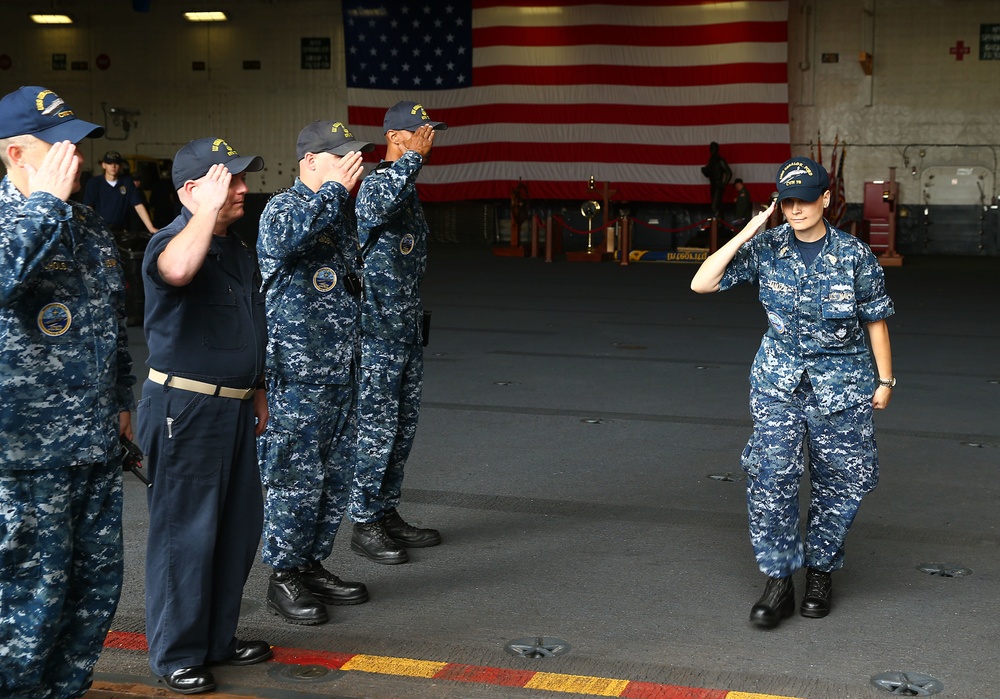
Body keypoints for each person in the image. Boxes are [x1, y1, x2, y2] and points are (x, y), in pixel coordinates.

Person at [690, 156, 894, 630]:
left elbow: (876, 320)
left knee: (843, 481)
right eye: (787, 200)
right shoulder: (766, 248)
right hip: (778, 384)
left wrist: (885, 380)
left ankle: (820, 572)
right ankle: (779, 581)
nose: (796, 208)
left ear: (826, 199)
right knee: (771, 477)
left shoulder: (854, 255)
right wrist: (748, 230)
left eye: (805, 198)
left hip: (842, 387)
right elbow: (703, 282)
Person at [0, 86, 135, 699]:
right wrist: (42, 210)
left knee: (90, 600)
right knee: (26, 613)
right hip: (24, 465)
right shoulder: (16, 222)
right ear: (15, 154)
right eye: (57, 148)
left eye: (76, 146)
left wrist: (123, 401)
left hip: (94, 450)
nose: (73, 159)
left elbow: (111, 323)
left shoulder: (88, 227)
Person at [136, 137, 271, 694]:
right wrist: (205, 212)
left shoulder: (234, 249)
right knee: (185, 535)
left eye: (242, 179)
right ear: (192, 190)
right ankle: (178, 652)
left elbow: (245, 325)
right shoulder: (171, 241)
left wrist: (256, 386)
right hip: (185, 409)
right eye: (230, 181)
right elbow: (178, 271)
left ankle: (217, 638)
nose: (243, 189)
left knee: (236, 530)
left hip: (234, 409)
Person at [257, 120, 374, 624]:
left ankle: (310, 562)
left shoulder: (339, 212)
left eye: (355, 157)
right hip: (298, 377)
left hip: (340, 370)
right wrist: (332, 191)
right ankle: (283, 574)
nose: (352, 166)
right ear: (309, 162)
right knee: (294, 477)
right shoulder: (283, 208)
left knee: (334, 474)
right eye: (339, 158)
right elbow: (288, 239)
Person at [349, 101, 445, 564]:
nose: (429, 137)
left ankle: (386, 511)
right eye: (421, 131)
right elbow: (375, 208)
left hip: (403, 327)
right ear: (396, 137)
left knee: (402, 426)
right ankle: (364, 520)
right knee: (377, 427)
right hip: (376, 332)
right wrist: (412, 161)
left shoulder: (406, 186)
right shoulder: (376, 183)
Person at [83, 149, 157, 234]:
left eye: (116, 163)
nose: (113, 166)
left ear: (120, 166)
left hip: (120, 231)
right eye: (109, 163)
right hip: (100, 230)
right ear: (103, 165)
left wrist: (151, 228)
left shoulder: (127, 182)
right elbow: (88, 207)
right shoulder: (94, 183)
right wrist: (93, 228)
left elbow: (138, 205)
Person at [701, 141, 732, 219]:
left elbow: (729, 172)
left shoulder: (720, 160)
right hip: (713, 184)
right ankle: (719, 224)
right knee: (717, 205)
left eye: (713, 148)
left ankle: (718, 225)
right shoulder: (711, 160)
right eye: (711, 148)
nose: (712, 150)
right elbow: (710, 174)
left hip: (718, 184)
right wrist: (705, 171)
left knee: (715, 205)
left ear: (717, 149)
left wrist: (724, 185)